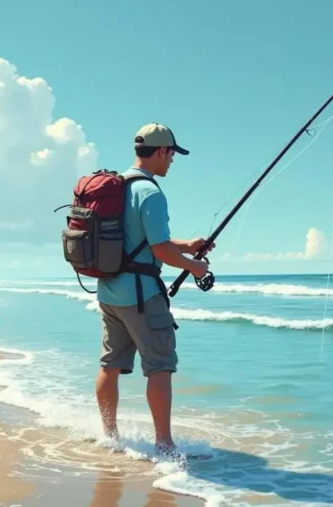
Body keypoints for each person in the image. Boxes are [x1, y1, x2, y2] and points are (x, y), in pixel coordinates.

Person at [94, 123, 214, 457]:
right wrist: (195, 267)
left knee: (110, 364)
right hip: (142, 296)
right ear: (161, 151)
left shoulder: (117, 186)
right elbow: (159, 250)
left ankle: (110, 436)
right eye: (172, 153)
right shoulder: (151, 192)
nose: (173, 160)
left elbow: (143, 240)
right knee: (160, 366)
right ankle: (164, 444)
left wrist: (188, 246)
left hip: (109, 292)